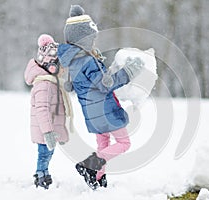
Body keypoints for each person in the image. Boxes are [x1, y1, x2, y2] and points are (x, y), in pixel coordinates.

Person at [57, 5, 144, 190]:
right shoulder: (88, 60)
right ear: (84, 38)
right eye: (92, 38)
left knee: (103, 144)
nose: (94, 42)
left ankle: (97, 178)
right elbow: (106, 84)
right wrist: (129, 72)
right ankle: (90, 165)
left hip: (91, 112)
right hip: (105, 110)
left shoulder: (73, 61)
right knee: (124, 143)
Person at [24, 34, 71, 189]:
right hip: (44, 130)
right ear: (52, 66)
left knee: (47, 153)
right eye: (61, 67)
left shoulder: (52, 82)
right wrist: (48, 132)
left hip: (48, 128)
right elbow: (42, 110)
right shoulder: (44, 84)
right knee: (44, 153)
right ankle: (41, 174)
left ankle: (43, 172)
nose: (63, 71)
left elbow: (55, 109)